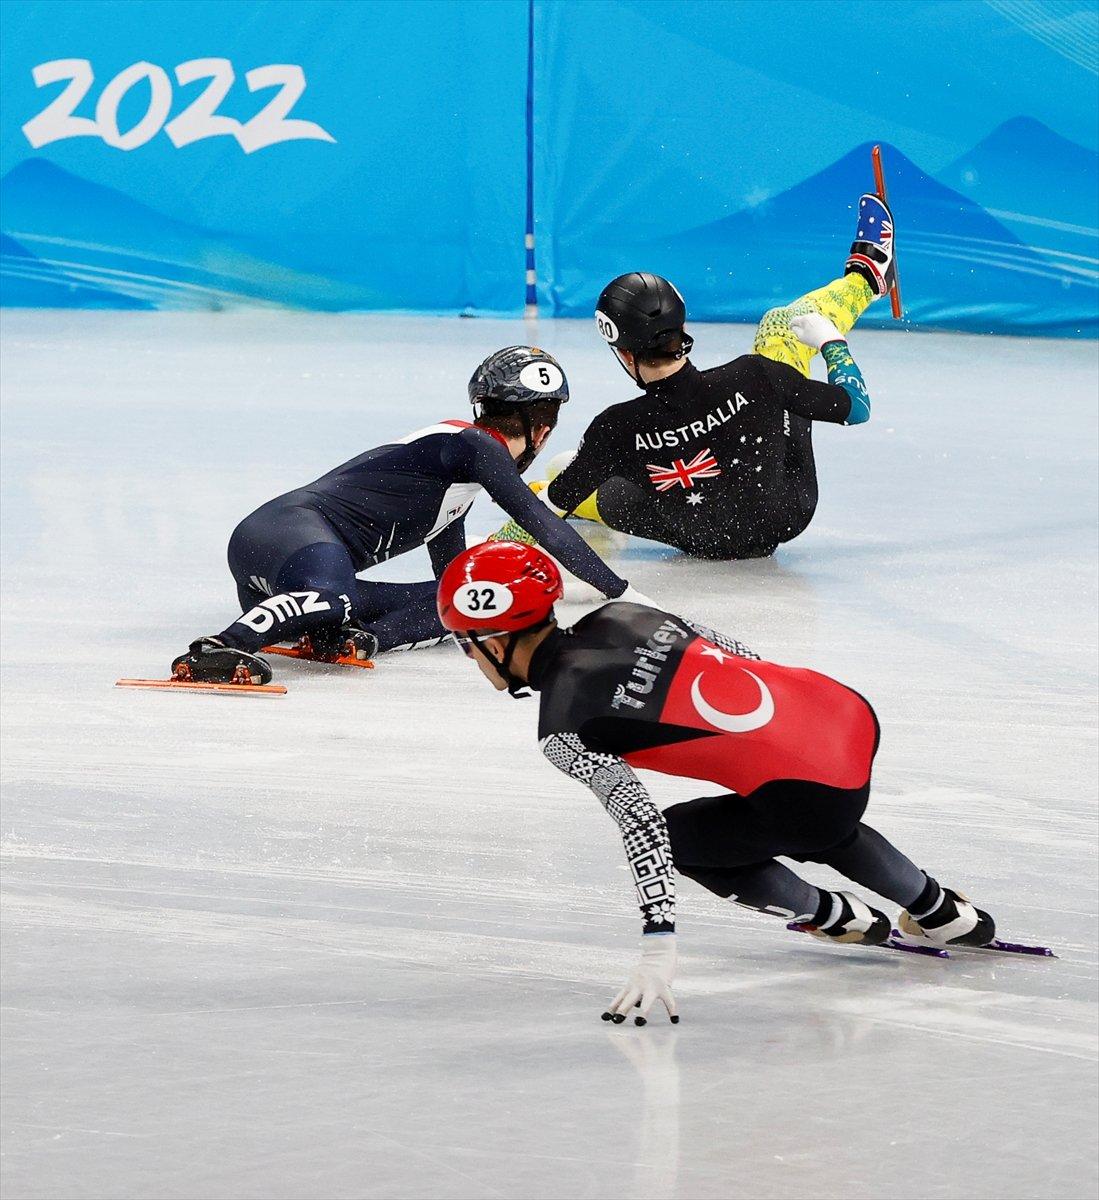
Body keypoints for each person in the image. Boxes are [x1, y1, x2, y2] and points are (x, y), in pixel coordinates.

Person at [437, 540, 998, 1026]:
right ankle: (944, 913)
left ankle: (834, 915)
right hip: (841, 708)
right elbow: (742, 659)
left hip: (818, 789)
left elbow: (642, 828)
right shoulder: (625, 613)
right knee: (794, 802)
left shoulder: (563, 727)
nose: (471, 657)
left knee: (694, 835)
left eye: (466, 644)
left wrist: (658, 942)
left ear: (495, 641)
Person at [172, 347, 651, 686]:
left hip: (287, 565)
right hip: (288, 537)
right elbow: (541, 522)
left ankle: (356, 639)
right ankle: (219, 647)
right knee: (336, 596)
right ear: (542, 430)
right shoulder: (476, 446)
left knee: (459, 601)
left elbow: (452, 579)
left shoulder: (457, 475)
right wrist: (623, 594)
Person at [498, 194, 893, 560]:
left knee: (572, 477)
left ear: (624, 353)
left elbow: (543, 514)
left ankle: (562, 484)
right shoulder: (755, 376)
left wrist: (487, 552)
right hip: (786, 514)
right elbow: (856, 408)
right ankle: (866, 276)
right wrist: (831, 343)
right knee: (779, 325)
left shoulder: (616, 428)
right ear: (681, 328)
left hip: (701, 537)